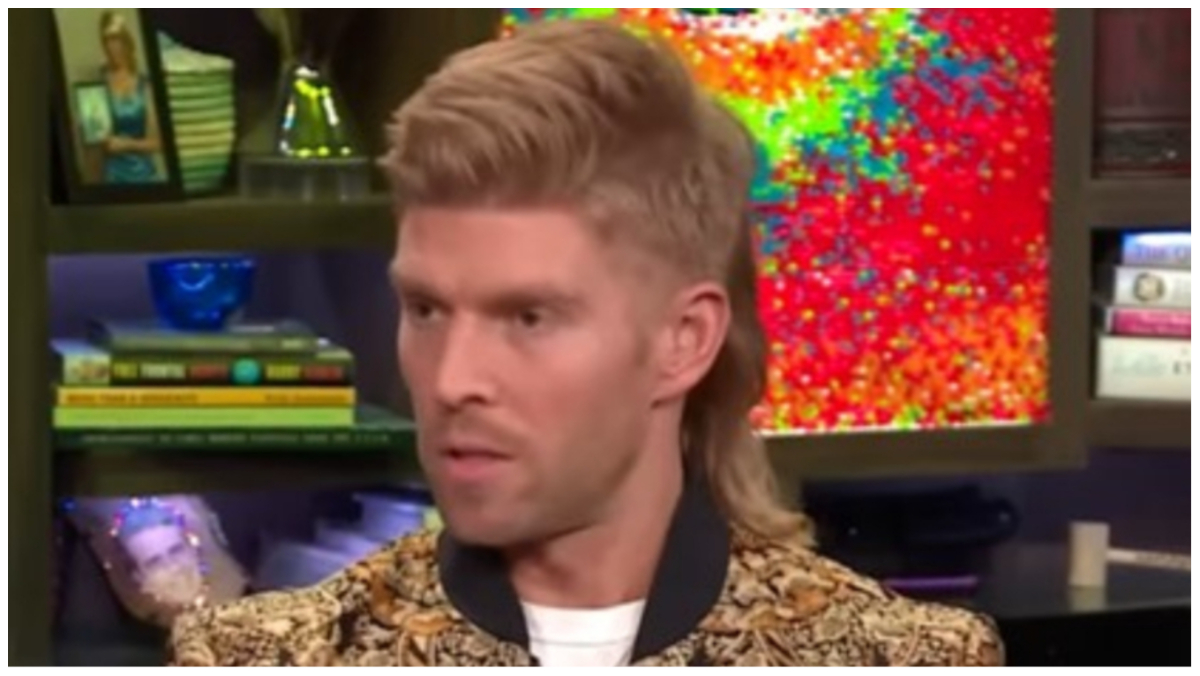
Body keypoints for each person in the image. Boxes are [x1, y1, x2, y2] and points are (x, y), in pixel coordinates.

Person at [168, 19, 1002, 667]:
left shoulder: (896, 659)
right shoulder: (272, 658)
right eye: (426, 309)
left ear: (683, 341)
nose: (453, 380)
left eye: (528, 318)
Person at [94, 11, 162, 184]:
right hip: (113, 176)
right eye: (107, 40)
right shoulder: (100, 83)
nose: (112, 46)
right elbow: (98, 133)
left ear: (126, 40)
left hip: (145, 176)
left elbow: (157, 143)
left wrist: (126, 144)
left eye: (116, 39)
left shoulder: (144, 84)